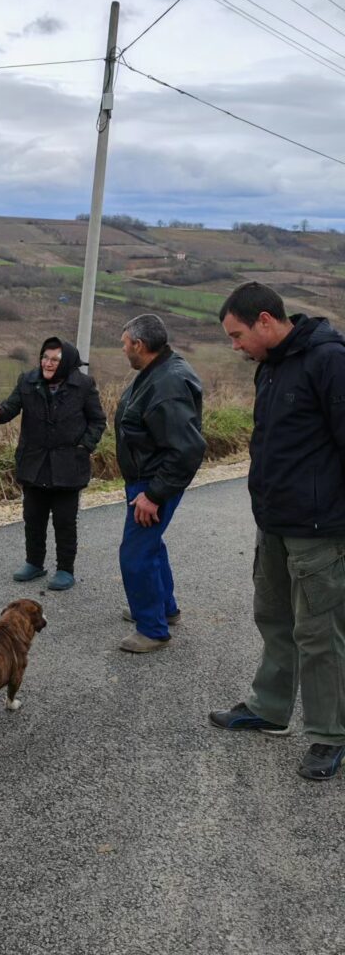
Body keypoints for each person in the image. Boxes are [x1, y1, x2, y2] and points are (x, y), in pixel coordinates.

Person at [209, 282, 345, 781]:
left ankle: (331, 734)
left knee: (320, 633)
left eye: (238, 335)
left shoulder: (329, 360)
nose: (235, 346)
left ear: (265, 320)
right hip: (273, 522)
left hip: (319, 528)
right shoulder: (270, 365)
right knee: (273, 618)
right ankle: (269, 708)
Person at [115, 313, 205, 653]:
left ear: (139, 345)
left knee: (135, 554)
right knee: (151, 545)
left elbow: (187, 448)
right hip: (147, 476)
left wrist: (153, 495)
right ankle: (164, 609)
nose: (123, 349)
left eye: (125, 344)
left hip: (153, 481)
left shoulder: (167, 384)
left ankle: (152, 629)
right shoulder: (158, 370)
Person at [0, 337, 106, 591]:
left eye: (55, 359)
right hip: (34, 462)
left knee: (64, 521)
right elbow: (9, 408)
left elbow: (98, 421)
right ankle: (34, 563)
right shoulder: (28, 381)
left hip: (69, 466)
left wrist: (84, 447)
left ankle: (65, 569)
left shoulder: (84, 385)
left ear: (67, 363)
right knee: (33, 517)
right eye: (45, 357)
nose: (48, 363)